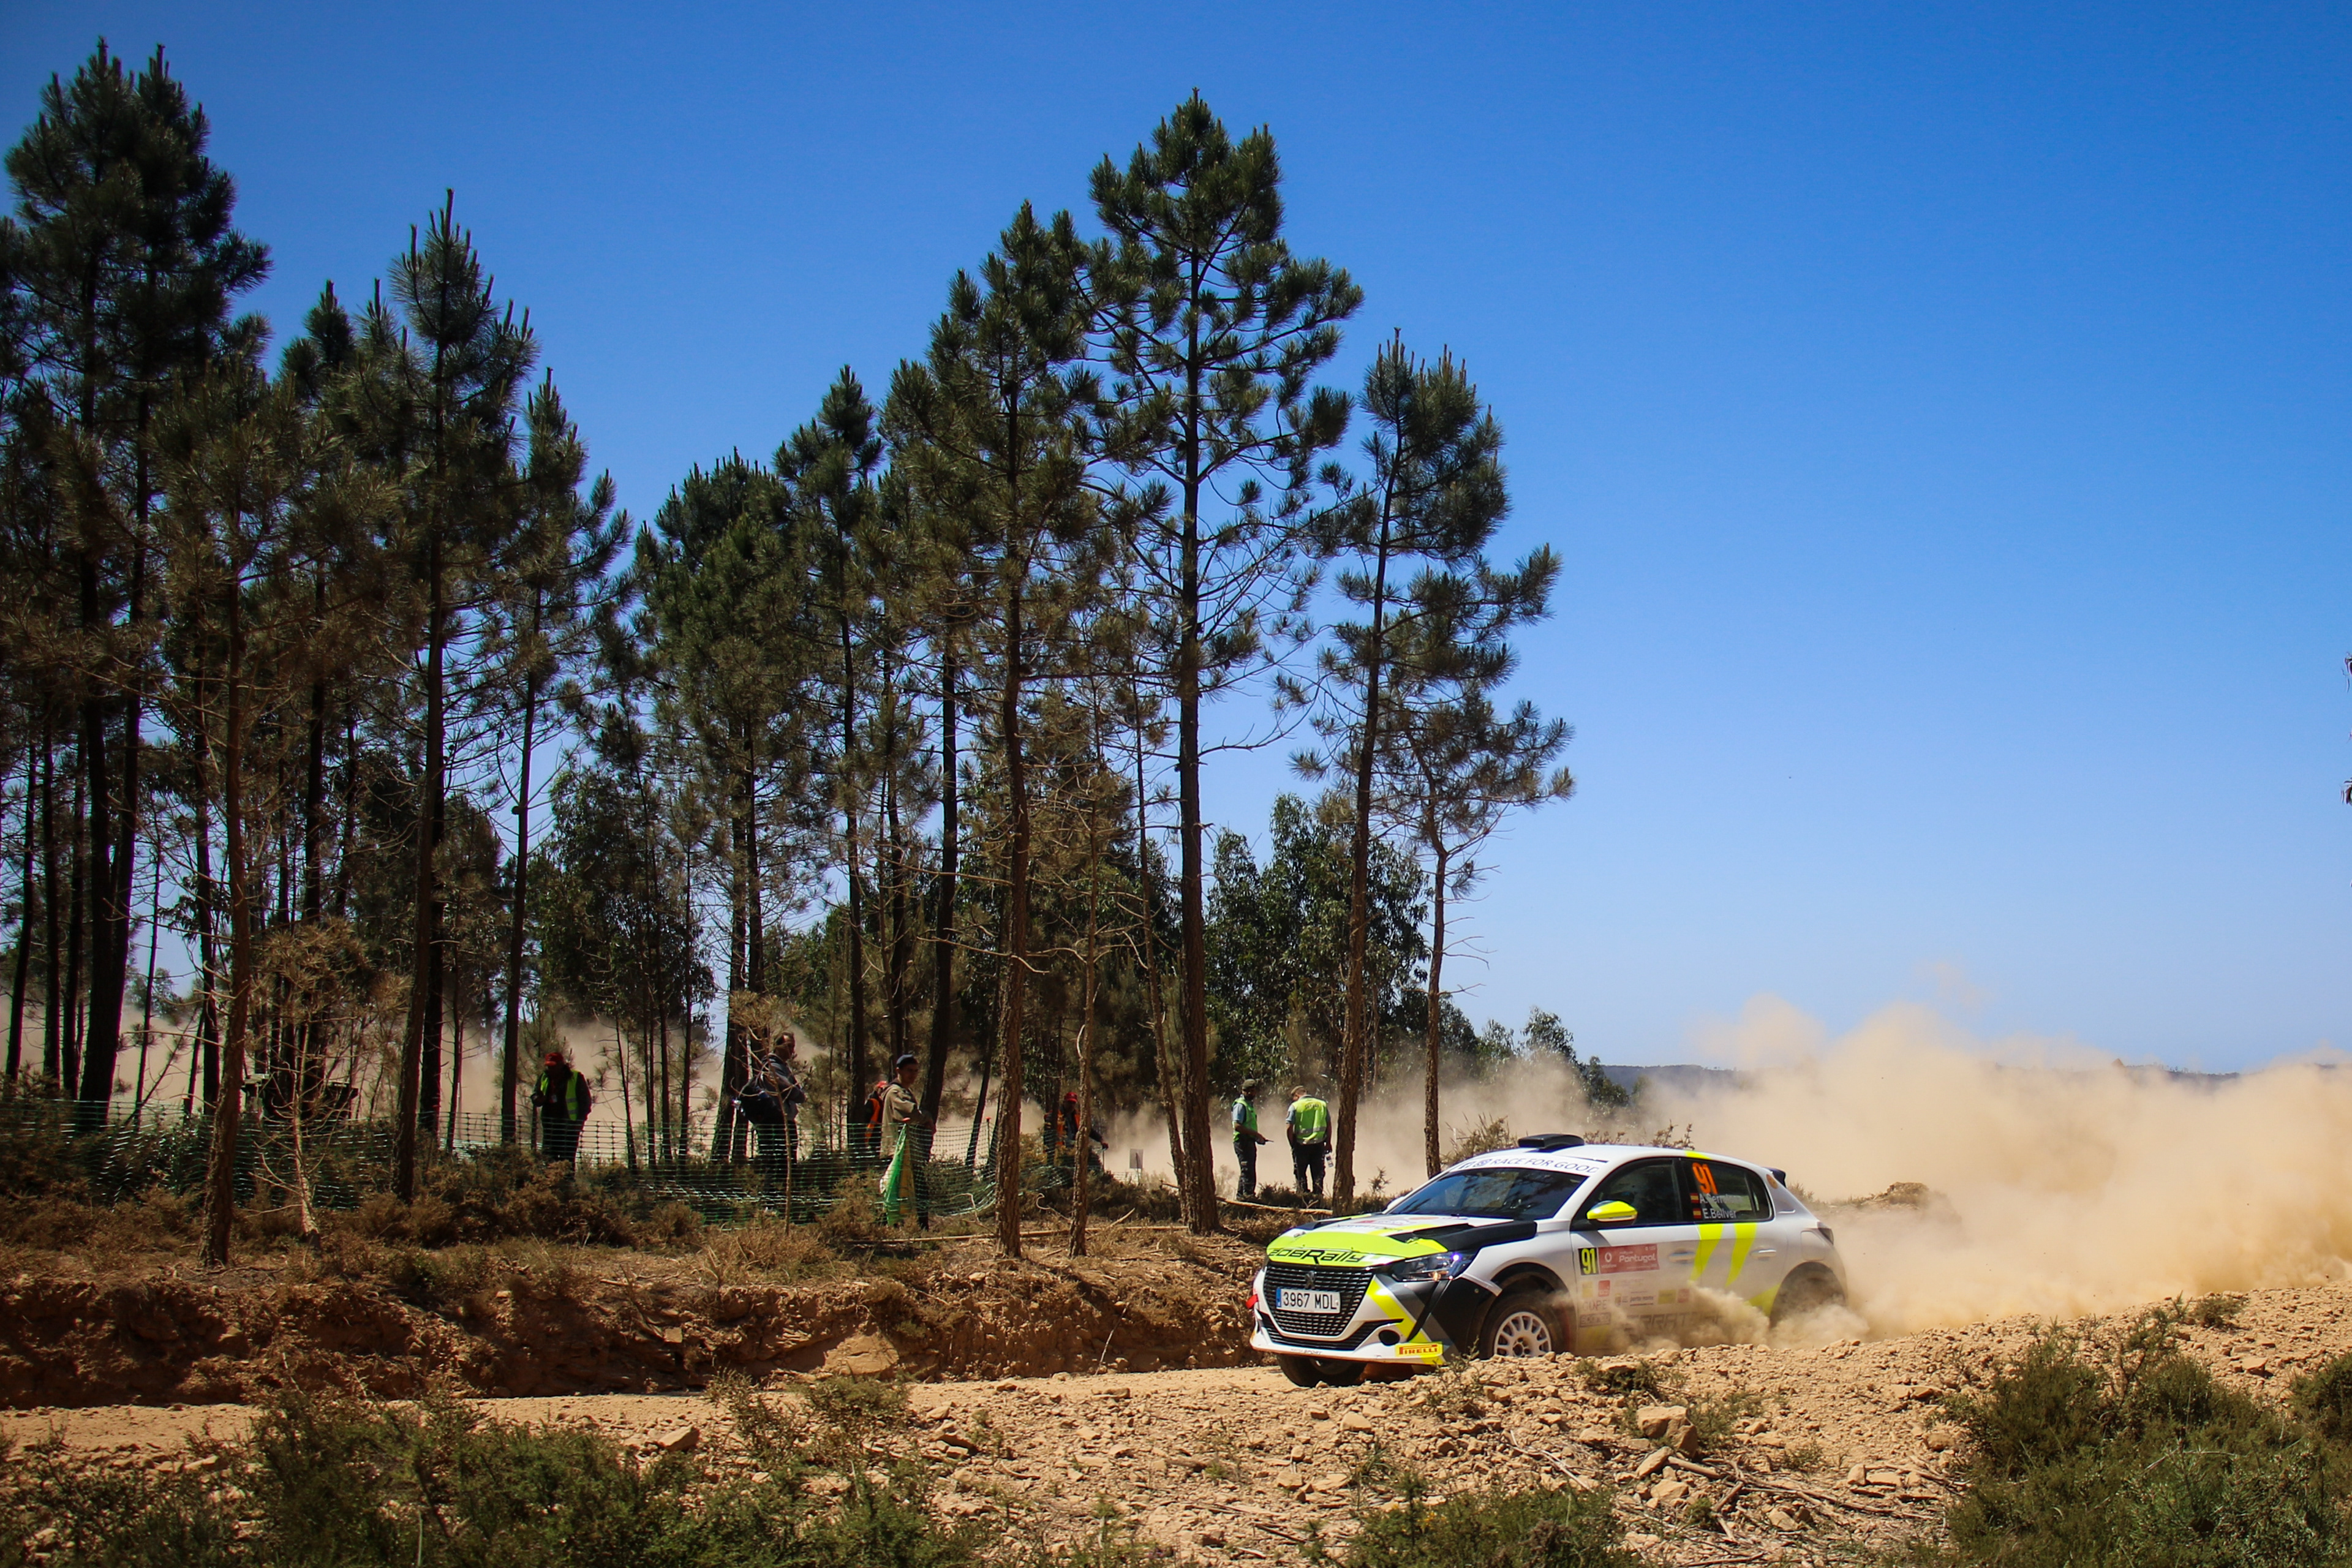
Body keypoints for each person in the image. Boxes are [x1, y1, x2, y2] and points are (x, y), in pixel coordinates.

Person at [734, 1032, 806, 1185]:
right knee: (777, 1165)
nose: (792, 1051)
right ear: (778, 1046)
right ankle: (772, 1203)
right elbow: (792, 1092)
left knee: (784, 1165)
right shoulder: (773, 1068)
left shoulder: (781, 1067)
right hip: (776, 1123)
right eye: (788, 1046)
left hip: (781, 1122)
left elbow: (796, 1092)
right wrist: (799, 1094)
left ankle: (780, 1202)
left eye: (793, 1046)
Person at [876, 1054, 932, 1228]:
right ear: (898, 1070)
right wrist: (928, 1118)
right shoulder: (895, 1092)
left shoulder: (904, 1091)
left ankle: (904, 1229)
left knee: (907, 1192)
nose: (913, 1075)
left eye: (916, 1071)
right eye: (909, 1071)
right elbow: (911, 1113)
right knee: (903, 1192)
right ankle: (893, 1228)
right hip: (898, 1151)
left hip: (906, 1152)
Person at [532, 1051, 593, 1164]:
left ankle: (568, 1181)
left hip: (570, 1128)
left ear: (561, 1065)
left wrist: (579, 1122)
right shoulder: (544, 1077)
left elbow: (586, 1103)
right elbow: (535, 1095)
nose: (550, 1069)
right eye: (548, 1066)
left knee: (567, 1161)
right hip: (550, 1127)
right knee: (549, 1159)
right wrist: (538, 1099)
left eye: (553, 1066)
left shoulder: (576, 1077)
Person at [1287, 1085, 1330, 1202]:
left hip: (1301, 1145)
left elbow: (1289, 1127)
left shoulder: (1295, 1106)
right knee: (1318, 1173)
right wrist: (1328, 1142)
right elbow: (1329, 1125)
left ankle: (1303, 1197)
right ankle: (1318, 1198)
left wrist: (1292, 1144)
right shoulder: (1322, 1104)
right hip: (1319, 1144)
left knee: (1301, 1173)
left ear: (1297, 1095)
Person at [1231, 1079, 1268, 1200]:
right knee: (1248, 1171)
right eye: (1251, 1091)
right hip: (1242, 1142)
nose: (1253, 1094)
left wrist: (1256, 1137)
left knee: (1247, 1171)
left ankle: (1241, 1198)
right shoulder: (1241, 1105)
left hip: (1249, 1141)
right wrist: (1255, 1134)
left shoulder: (1249, 1105)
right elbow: (1237, 1126)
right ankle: (1248, 1198)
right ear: (1245, 1091)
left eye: (1254, 1091)